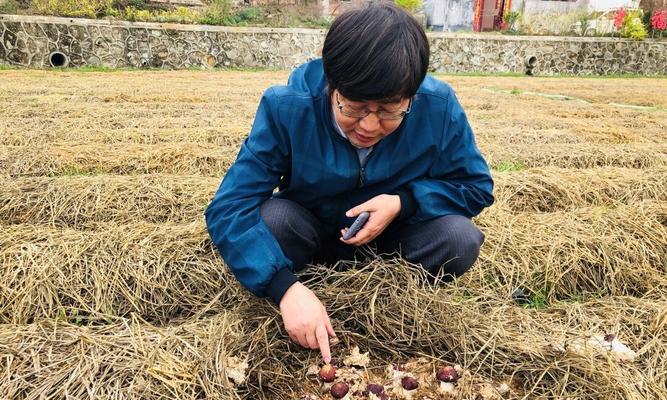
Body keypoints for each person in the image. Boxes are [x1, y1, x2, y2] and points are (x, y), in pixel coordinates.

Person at [205, 3, 494, 365]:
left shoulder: (438, 106)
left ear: (412, 94)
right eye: (354, 108)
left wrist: (404, 202)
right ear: (332, 84)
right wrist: (284, 288)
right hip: (313, 233)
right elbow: (229, 206)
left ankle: (394, 298)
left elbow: (476, 186)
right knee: (274, 219)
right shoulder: (288, 107)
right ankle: (302, 284)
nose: (369, 126)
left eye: (390, 111)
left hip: (392, 241)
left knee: (459, 237)